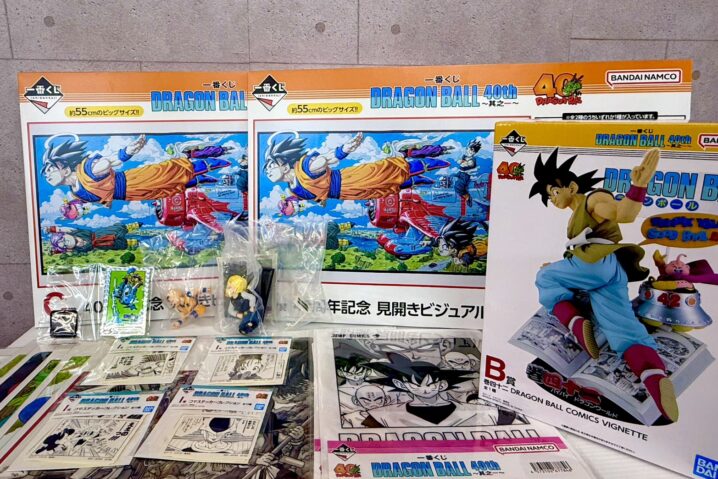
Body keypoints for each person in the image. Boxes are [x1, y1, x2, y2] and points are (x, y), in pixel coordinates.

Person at [530, 147, 678, 422]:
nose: (553, 198)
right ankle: (653, 375)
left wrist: (638, 186)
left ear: (572, 187)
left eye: (554, 191)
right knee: (622, 328)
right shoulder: (578, 212)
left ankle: (575, 323)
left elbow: (623, 214)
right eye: (549, 196)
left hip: (597, 263)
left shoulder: (594, 199)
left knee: (545, 278)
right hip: (611, 271)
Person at [263, 132, 449, 203]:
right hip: (347, 193)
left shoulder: (304, 167)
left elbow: (325, 160)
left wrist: (345, 149)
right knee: (386, 188)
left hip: (351, 178)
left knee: (389, 172)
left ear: (284, 164)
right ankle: (421, 179)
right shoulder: (293, 189)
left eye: (271, 165)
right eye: (266, 169)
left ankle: (433, 156)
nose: (268, 170)